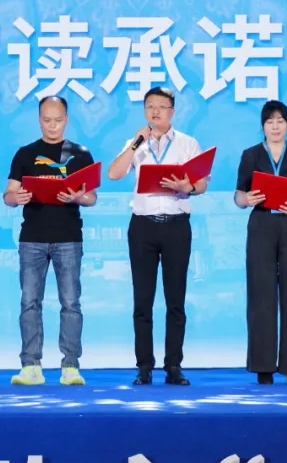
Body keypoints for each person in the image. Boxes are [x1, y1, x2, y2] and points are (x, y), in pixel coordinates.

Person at [107, 86, 207, 386]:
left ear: (172, 112)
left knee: (176, 299)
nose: (155, 111)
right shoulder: (135, 143)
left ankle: (173, 366)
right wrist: (135, 145)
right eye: (150, 106)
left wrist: (187, 187)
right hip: (143, 226)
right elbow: (113, 173)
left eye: (161, 107)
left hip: (176, 225)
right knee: (143, 300)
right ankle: (144, 366)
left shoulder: (188, 143)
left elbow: (201, 184)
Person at [3, 96, 97, 386]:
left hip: (68, 237)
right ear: (39, 119)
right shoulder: (25, 154)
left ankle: (70, 366)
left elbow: (92, 197)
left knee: (70, 303)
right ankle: (31, 365)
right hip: (32, 238)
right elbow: (8, 195)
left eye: (57, 120)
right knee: (29, 302)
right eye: (47, 120)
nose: (52, 125)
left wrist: (78, 197)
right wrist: (15, 197)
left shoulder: (80, 154)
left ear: (66, 119)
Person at [234, 100, 287, 385]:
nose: (276, 126)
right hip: (262, 225)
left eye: (280, 121)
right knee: (261, 296)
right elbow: (238, 195)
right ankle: (263, 366)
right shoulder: (251, 154)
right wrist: (247, 199)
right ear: (263, 126)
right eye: (270, 122)